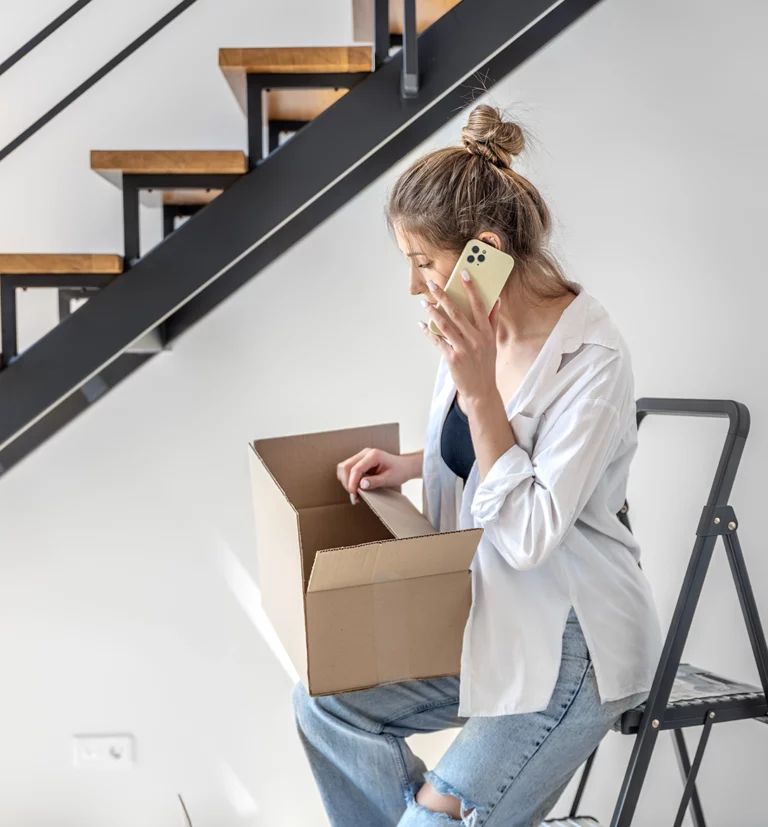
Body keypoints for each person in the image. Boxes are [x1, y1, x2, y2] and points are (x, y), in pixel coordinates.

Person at [291, 104, 662, 827]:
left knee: (433, 822)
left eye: (422, 262)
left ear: (482, 251)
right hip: (489, 617)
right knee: (323, 701)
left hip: (572, 645)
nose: (413, 286)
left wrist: (479, 387)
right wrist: (412, 463)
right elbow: (491, 459)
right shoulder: (472, 324)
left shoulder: (593, 357)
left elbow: (528, 534)